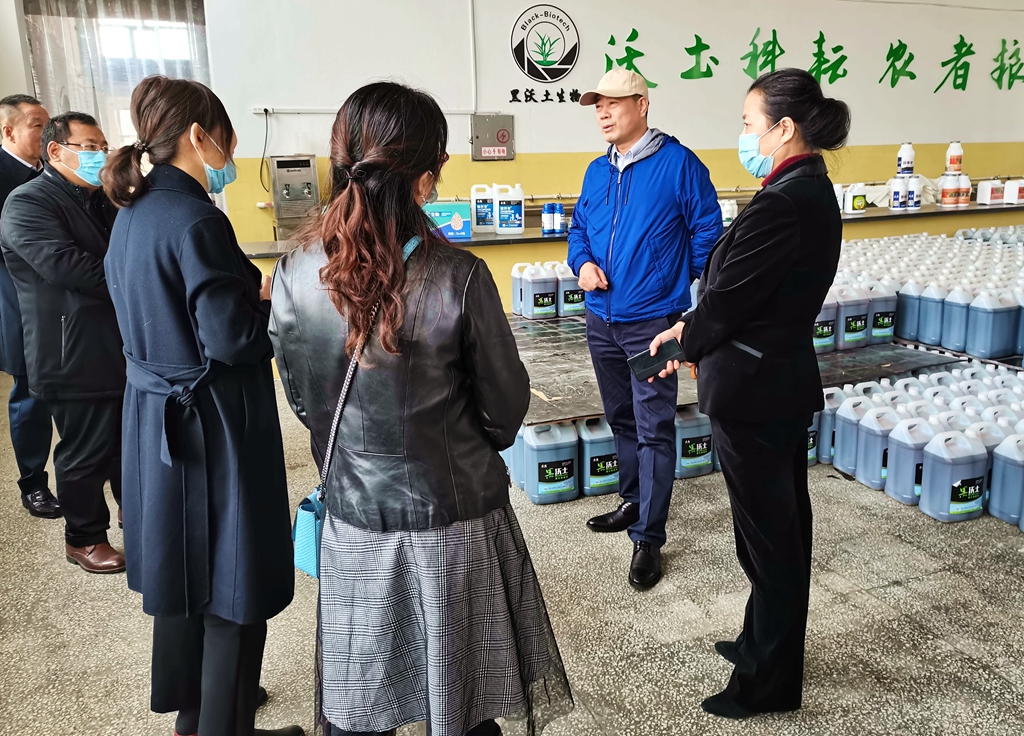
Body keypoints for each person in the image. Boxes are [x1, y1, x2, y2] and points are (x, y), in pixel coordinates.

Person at [269, 81, 573, 736]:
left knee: (361, 699)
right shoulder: (460, 276)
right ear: (427, 177)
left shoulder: (293, 274)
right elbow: (505, 412)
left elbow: (302, 400)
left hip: (352, 522)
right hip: (451, 525)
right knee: (460, 699)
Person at [648, 68, 850, 719]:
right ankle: (760, 641)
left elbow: (730, 300)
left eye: (748, 123)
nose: (743, 135)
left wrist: (685, 339)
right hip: (774, 381)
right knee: (775, 532)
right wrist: (693, 332)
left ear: (783, 128)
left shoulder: (784, 202)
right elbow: (745, 296)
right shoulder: (804, 188)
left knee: (770, 541)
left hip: (757, 392)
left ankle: (768, 682)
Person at [102, 76, 300, 736]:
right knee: (232, 585)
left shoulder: (132, 213)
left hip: (153, 414)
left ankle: (194, 716)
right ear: (197, 136)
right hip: (211, 421)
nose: (228, 156)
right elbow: (232, 339)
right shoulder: (198, 220)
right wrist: (274, 309)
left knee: (184, 573)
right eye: (227, 141)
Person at [567, 68, 722, 590]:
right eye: (597, 105)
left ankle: (648, 540)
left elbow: (708, 231)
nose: (603, 113)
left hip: (653, 324)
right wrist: (582, 265)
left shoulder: (678, 164)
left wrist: (678, 289)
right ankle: (633, 501)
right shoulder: (596, 171)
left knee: (654, 426)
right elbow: (579, 229)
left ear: (642, 104)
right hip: (602, 320)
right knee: (621, 417)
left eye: (612, 103)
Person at [0, 111, 125, 573]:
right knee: (85, 452)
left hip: (118, 344)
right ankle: (84, 538)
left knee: (125, 445)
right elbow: (68, 268)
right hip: (71, 352)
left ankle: (134, 516)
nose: (100, 156)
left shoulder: (102, 200)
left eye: (103, 147)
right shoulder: (28, 202)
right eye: (90, 147)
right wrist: (142, 280)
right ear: (56, 150)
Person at [0, 94, 57, 519]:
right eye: (38, 124)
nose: (46, 132)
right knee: (31, 393)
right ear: (9, 131)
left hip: (66, 301)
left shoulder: (53, 172)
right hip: (18, 301)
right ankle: (33, 483)